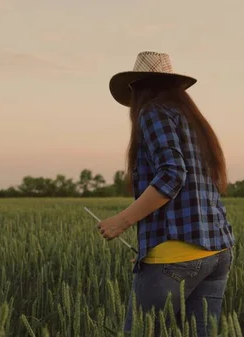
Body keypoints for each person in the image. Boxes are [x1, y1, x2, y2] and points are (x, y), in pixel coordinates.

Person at [96, 51, 236, 336]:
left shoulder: (153, 112)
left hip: (176, 256)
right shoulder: (192, 120)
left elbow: (172, 175)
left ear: (136, 88)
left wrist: (121, 221)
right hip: (218, 253)